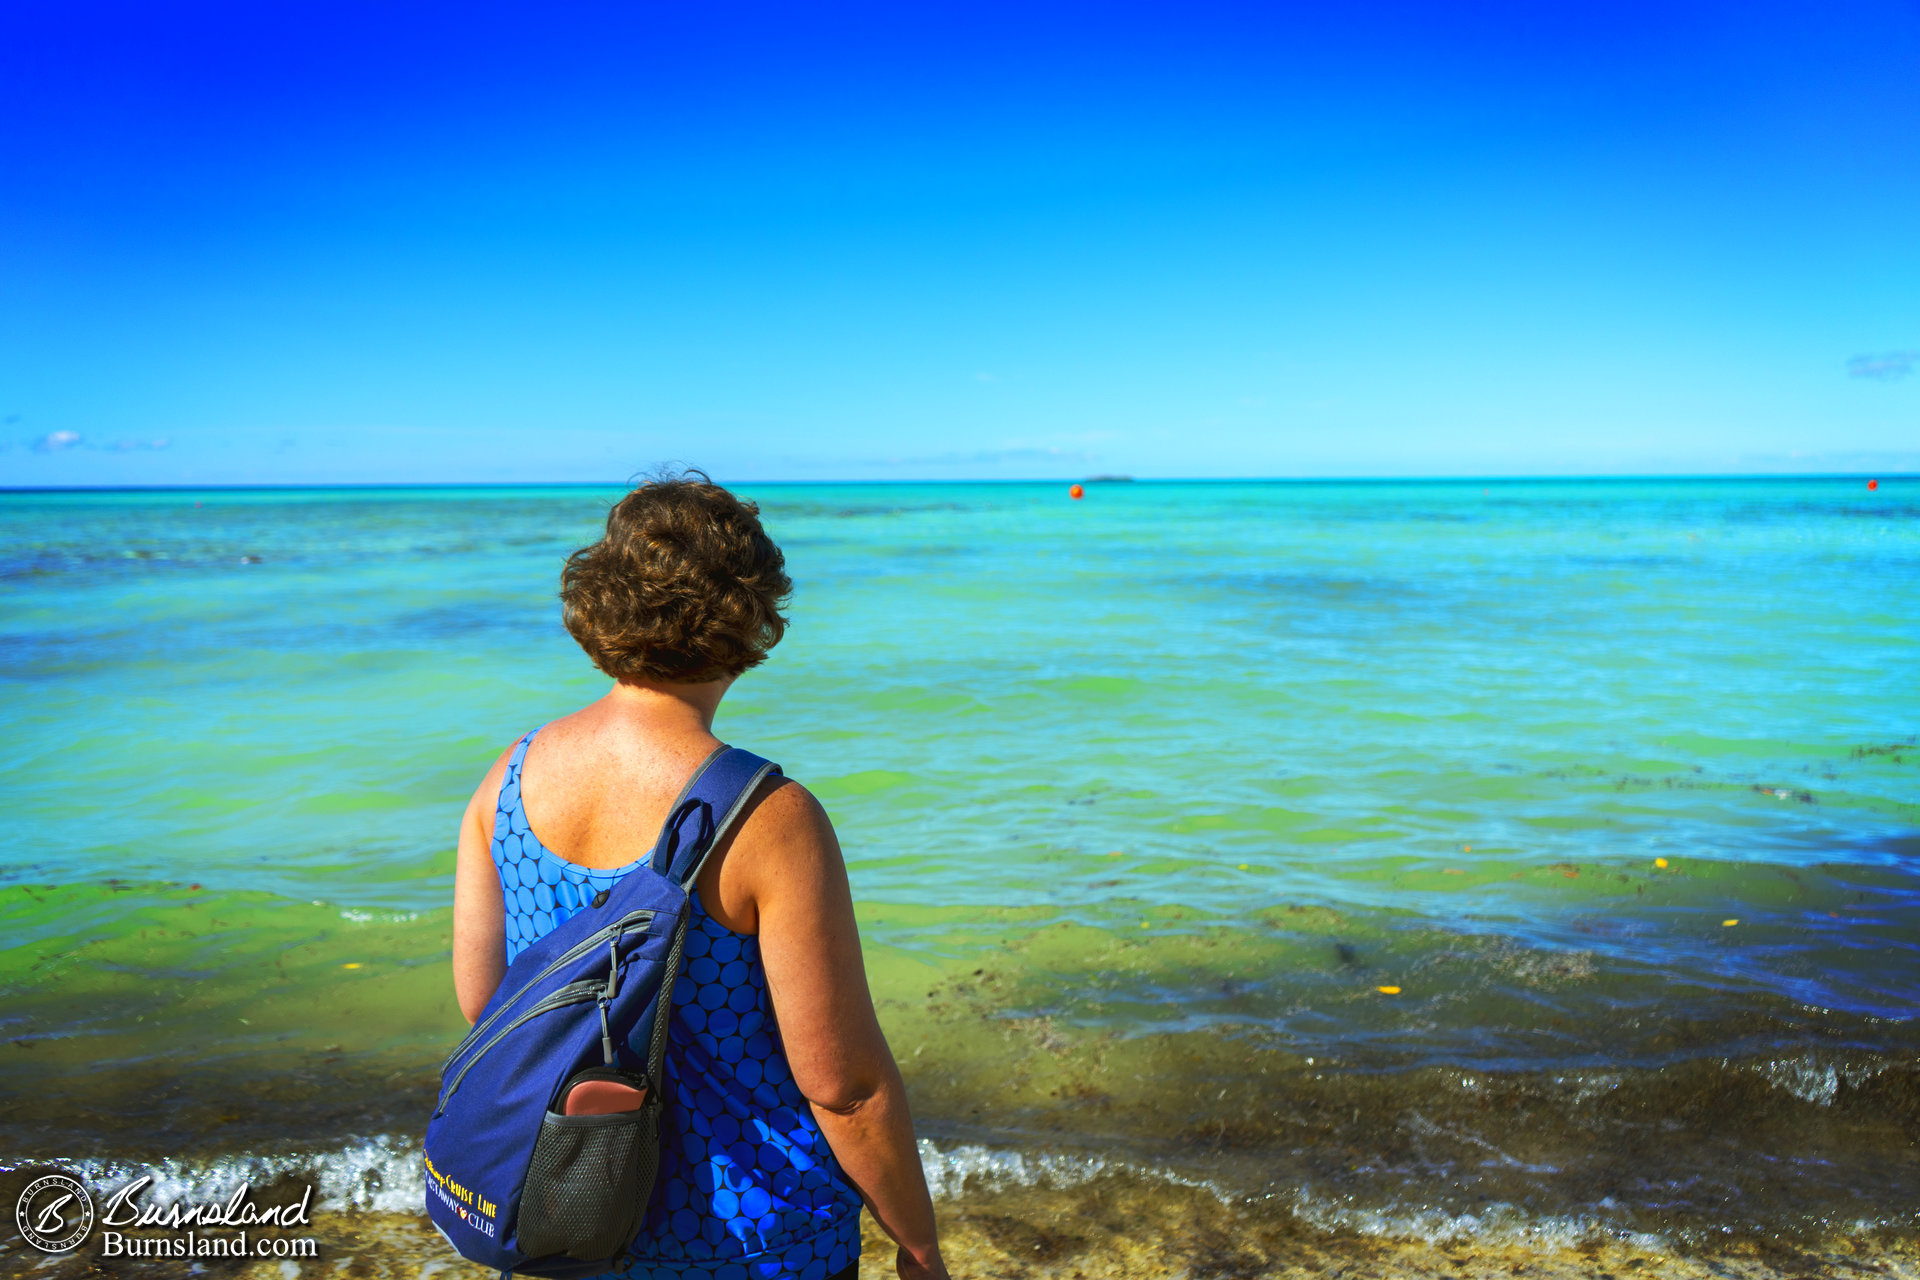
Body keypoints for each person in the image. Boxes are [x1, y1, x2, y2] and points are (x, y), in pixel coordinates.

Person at [450, 471, 949, 1280]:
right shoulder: (769, 817)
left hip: (570, 1214)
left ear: (598, 604)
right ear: (750, 616)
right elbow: (843, 1086)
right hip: (750, 1235)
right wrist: (918, 1242)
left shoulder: (505, 781)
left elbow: (489, 1003)